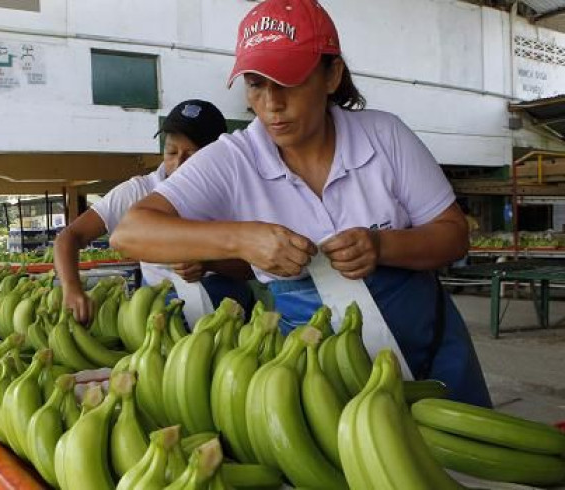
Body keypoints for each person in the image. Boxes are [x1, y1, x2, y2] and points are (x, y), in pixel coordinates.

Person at [111, 0, 491, 407]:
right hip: (321, 376)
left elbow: (453, 236)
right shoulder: (234, 159)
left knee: (465, 465)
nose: (272, 103)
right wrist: (242, 240)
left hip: (432, 349)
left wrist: (382, 247)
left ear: (332, 75)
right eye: (256, 84)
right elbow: (130, 232)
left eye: (289, 81)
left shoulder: (384, 136)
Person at [54, 100, 254, 324]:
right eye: (171, 152)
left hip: (226, 306)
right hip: (156, 308)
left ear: (216, 155)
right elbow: (69, 237)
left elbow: (254, 268)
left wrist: (210, 264)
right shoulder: (139, 191)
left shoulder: (236, 193)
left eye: (192, 154)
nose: (179, 163)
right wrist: (71, 288)